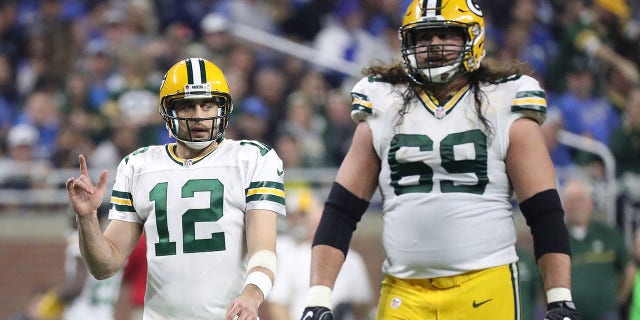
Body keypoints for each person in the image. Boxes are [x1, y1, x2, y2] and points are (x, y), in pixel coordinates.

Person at [299, 1, 579, 319]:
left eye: (446, 34)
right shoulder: (383, 104)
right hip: (404, 290)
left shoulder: (504, 102)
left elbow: (544, 212)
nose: (434, 45)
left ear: (472, 39)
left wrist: (560, 298)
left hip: (484, 284)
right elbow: (340, 211)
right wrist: (318, 297)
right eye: (424, 37)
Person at [65, 57, 286, 319]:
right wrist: (87, 218)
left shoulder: (252, 159)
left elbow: (264, 250)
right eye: (187, 107)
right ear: (169, 111)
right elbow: (105, 265)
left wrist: (252, 295)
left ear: (223, 107)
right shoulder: (138, 165)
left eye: (207, 105)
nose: (199, 116)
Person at [267, 187, 373, 320]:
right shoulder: (293, 256)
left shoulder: (353, 260)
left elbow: (362, 304)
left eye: (302, 215)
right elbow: (278, 303)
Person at [562, 178, 634, 320]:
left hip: (606, 314)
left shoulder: (609, 234)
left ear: (591, 203)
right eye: (571, 200)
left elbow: (629, 268)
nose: (576, 205)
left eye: (581, 199)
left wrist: (619, 299)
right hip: (567, 316)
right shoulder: (556, 237)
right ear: (564, 204)